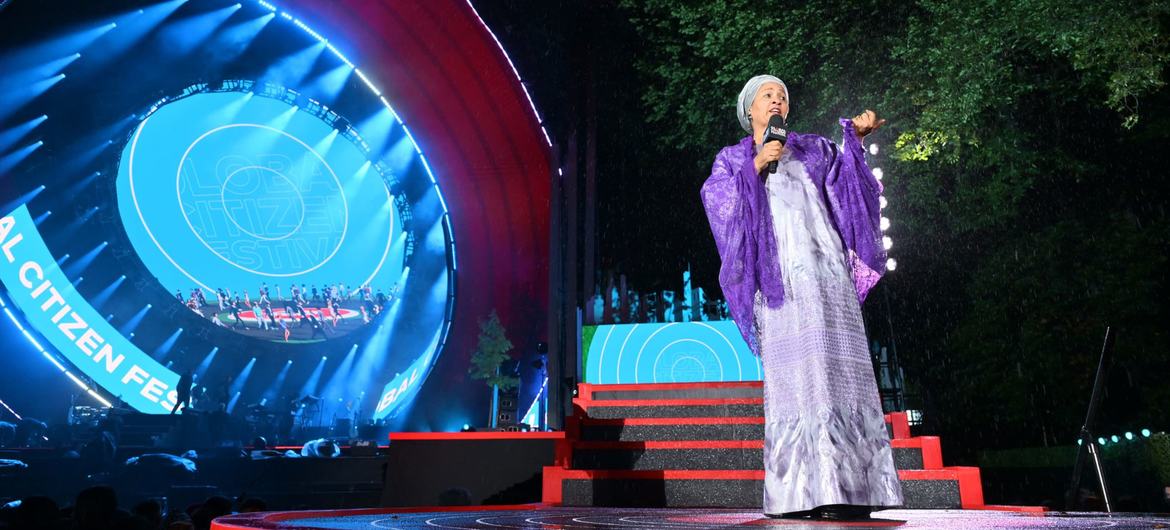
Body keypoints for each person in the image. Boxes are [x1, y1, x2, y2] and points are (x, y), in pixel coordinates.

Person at [700, 75, 902, 520]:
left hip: (828, 274)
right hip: (781, 282)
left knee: (841, 376)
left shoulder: (814, 149)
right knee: (799, 380)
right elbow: (718, 204)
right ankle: (802, 493)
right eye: (767, 96)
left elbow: (851, 190)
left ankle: (855, 489)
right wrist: (755, 166)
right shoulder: (732, 160)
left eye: (782, 96)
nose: (776, 100)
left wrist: (856, 141)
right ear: (749, 110)